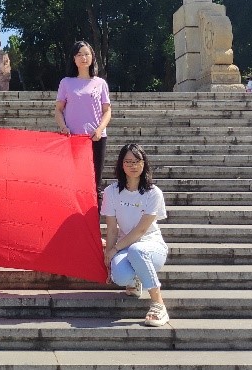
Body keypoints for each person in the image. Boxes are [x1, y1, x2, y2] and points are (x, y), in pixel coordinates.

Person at [101, 143, 170, 327]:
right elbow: (112, 229)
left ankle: (158, 304)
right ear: (121, 164)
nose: (133, 165)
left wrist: (115, 248)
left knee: (137, 250)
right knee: (120, 276)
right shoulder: (111, 192)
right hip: (126, 246)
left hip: (151, 247)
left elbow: (141, 230)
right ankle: (135, 279)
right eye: (128, 161)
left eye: (137, 161)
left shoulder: (153, 193)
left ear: (143, 164)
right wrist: (109, 256)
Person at [55, 40, 112, 191]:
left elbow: (107, 111)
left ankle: (95, 207)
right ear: (73, 58)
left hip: (96, 138)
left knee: (95, 183)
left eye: (87, 54)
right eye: (79, 54)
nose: (83, 58)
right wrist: (63, 127)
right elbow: (58, 110)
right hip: (73, 138)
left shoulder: (100, 83)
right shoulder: (66, 83)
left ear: (92, 57)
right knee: (74, 181)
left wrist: (100, 129)